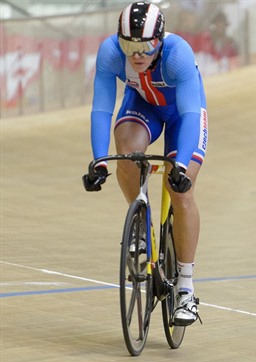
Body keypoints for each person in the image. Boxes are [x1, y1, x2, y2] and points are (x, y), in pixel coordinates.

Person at [82, 1, 208, 327]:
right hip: (144, 106)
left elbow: (192, 115)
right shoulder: (110, 53)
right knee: (126, 154)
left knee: (181, 191)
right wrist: (99, 161)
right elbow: (101, 108)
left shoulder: (178, 55)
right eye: (129, 46)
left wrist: (180, 166)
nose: (136, 55)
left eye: (145, 47)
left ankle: (185, 286)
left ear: (160, 40)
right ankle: (141, 221)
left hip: (183, 115)